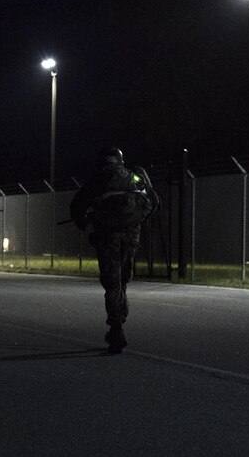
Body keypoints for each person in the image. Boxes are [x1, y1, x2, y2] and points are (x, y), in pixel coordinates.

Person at [69, 147, 158, 354]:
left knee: (112, 281)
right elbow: (152, 200)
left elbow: (77, 206)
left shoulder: (98, 179)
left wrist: (86, 223)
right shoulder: (133, 177)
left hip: (108, 236)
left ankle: (116, 328)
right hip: (131, 235)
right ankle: (120, 315)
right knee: (122, 278)